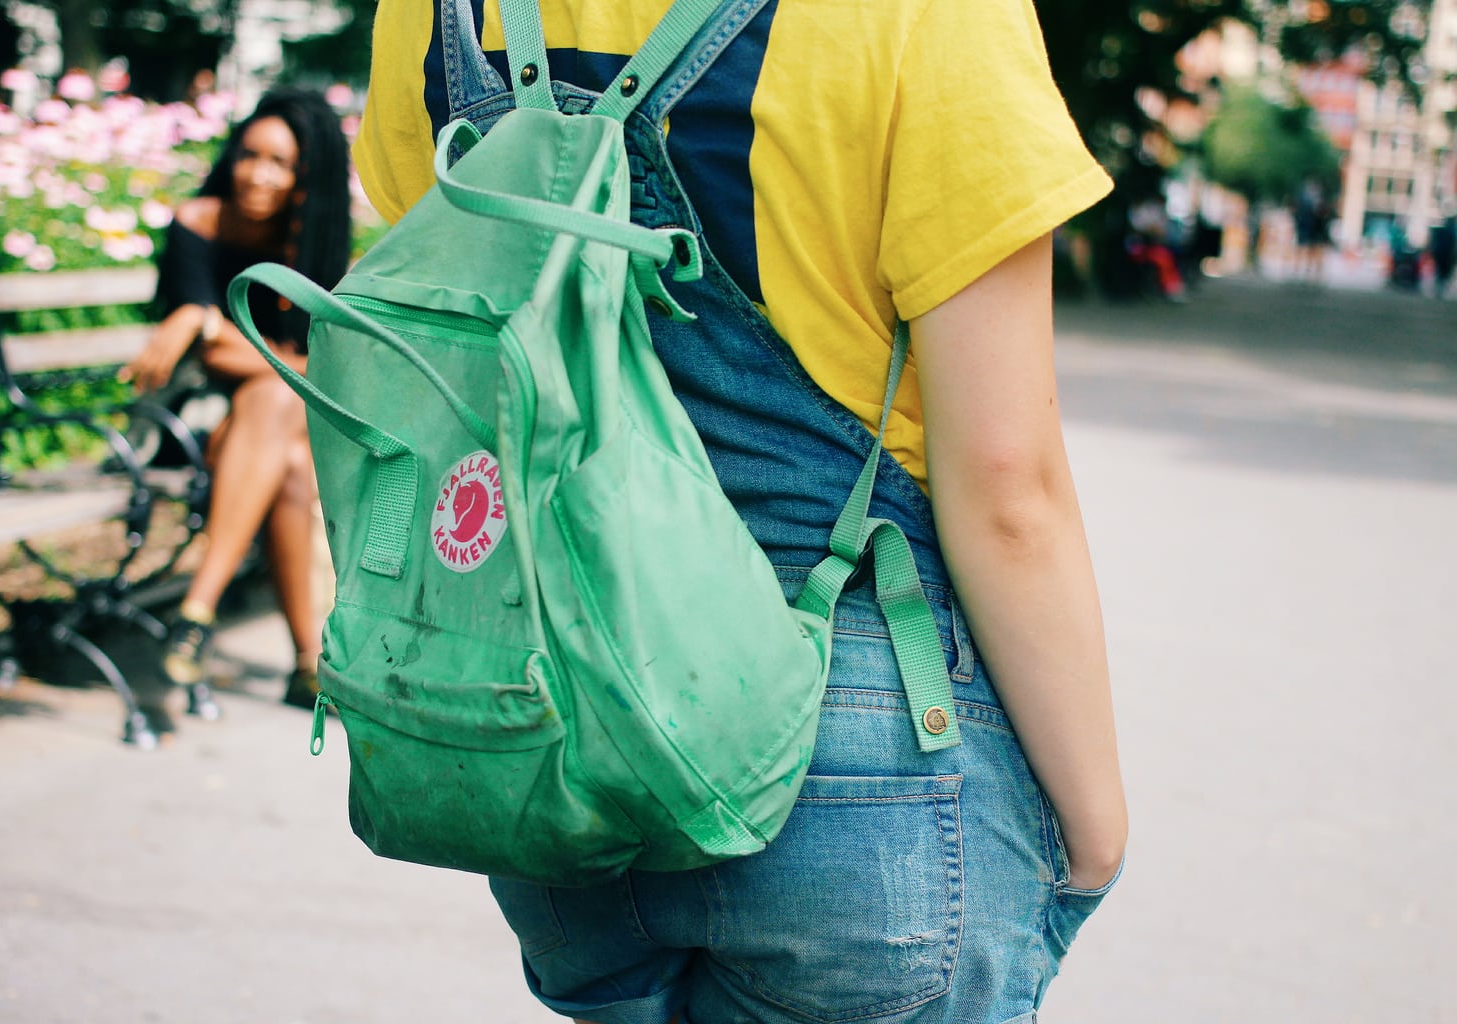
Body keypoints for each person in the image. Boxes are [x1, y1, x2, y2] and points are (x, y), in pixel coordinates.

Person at [354, 1, 1128, 1021]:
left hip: (572, 730)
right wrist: (1096, 828)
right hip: (843, 742)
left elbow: (463, 337)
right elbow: (1008, 489)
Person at [123, 88, 350, 710]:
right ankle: (303, 664)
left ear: (307, 178)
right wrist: (212, 336)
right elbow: (210, 361)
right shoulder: (199, 222)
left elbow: (317, 360)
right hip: (188, 420)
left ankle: (202, 614)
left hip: (267, 430)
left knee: (288, 449)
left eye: (281, 164)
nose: (258, 174)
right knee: (282, 424)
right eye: (250, 155)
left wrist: (212, 323)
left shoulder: (309, 243)